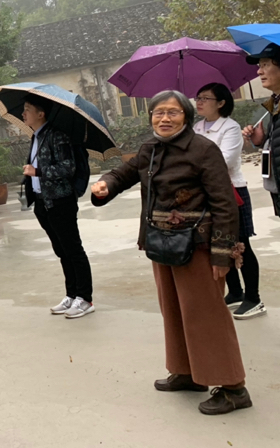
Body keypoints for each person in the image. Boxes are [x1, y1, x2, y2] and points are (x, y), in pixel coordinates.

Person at [91, 90, 250, 415]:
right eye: (158, 112)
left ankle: (234, 387)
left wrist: (222, 253)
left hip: (198, 245)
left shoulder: (203, 150)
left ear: (186, 118)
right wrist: (106, 184)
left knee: (205, 315)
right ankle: (188, 372)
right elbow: (124, 172)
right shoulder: (149, 149)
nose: (164, 118)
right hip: (161, 242)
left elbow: (224, 204)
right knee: (174, 310)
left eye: (173, 112)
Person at [195, 83, 265, 319]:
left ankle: (253, 298)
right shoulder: (196, 128)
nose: (199, 102)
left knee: (240, 244)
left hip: (232, 191)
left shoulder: (230, 127)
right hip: (207, 192)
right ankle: (235, 291)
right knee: (219, 243)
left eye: (205, 98)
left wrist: (195, 166)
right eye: (198, 97)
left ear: (221, 102)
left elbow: (225, 160)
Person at [21, 94, 94, 319]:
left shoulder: (57, 136)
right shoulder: (36, 137)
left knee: (73, 250)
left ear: (41, 114)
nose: (23, 113)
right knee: (61, 251)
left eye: (27, 109)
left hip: (61, 201)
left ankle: (85, 298)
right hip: (43, 202)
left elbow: (68, 167)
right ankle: (71, 294)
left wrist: (37, 171)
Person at [243, 43, 280, 214]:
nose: (259, 71)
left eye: (265, 65)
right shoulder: (275, 104)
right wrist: (263, 141)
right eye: (259, 66)